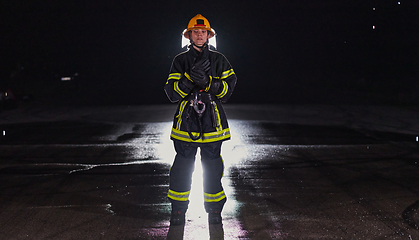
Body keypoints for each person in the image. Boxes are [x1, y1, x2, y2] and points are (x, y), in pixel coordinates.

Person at [164, 14, 237, 225]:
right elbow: (172, 93)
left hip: (212, 121)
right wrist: (187, 80)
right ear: (188, 35)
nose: (199, 35)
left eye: (203, 32)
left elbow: (227, 91)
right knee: (182, 166)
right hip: (186, 122)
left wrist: (208, 83)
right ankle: (178, 211)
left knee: (212, 167)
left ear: (208, 35)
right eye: (195, 32)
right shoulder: (180, 61)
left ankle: (214, 211)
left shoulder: (220, 60)